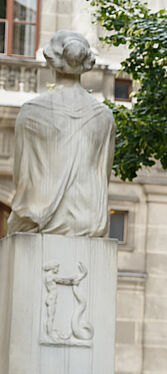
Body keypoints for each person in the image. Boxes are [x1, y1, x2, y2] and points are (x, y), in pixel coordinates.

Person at [8, 30, 115, 237]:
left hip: (38, 219)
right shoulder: (104, 116)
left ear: (52, 61)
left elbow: (22, 177)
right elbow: (104, 174)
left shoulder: (31, 112)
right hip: (89, 221)